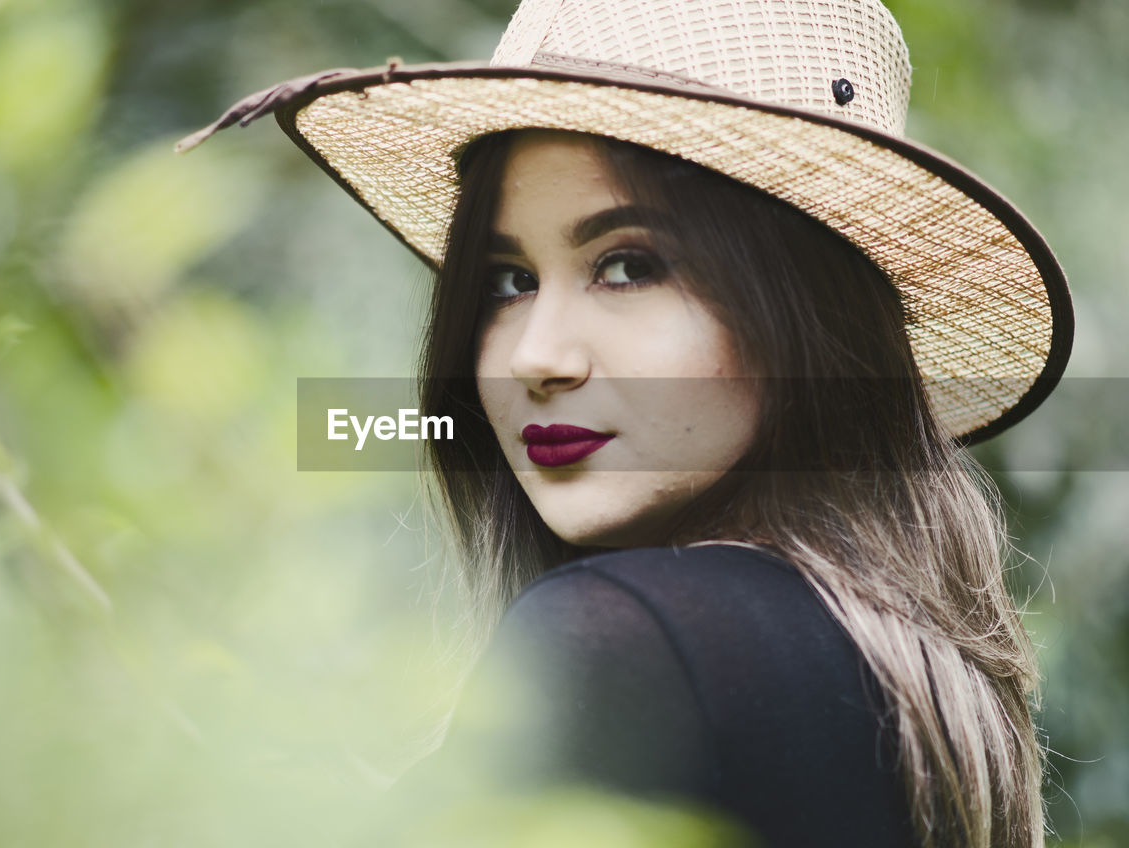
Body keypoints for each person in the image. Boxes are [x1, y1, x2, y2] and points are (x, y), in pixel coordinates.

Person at [179, 1, 1073, 846]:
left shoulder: (621, 641)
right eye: (507, 282)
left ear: (804, 314)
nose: (538, 355)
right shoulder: (926, 698)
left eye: (627, 266)